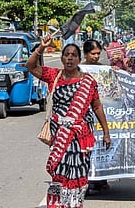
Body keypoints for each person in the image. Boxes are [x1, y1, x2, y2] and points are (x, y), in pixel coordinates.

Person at [26, 35, 111, 208]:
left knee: (78, 175)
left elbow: (97, 107)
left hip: (80, 138)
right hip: (60, 137)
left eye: (74, 55)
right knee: (58, 173)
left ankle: (75, 204)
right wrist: (41, 47)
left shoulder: (88, 82)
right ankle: (56, 204)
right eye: (67, 54)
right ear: (62, 58)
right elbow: (30, 66)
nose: (70, 58)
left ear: (79, 59)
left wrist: (106, 133)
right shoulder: (54, 76)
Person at [82, 39, 110, 194]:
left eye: (98, 53)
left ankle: (101, 179)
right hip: (84, 117)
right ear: (86, 54)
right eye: (93, 53)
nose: (96, 56)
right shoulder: (79, 70)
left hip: (103, 114)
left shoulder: (104, 70)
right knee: (85, 149)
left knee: (101, 147)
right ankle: (85, 180)